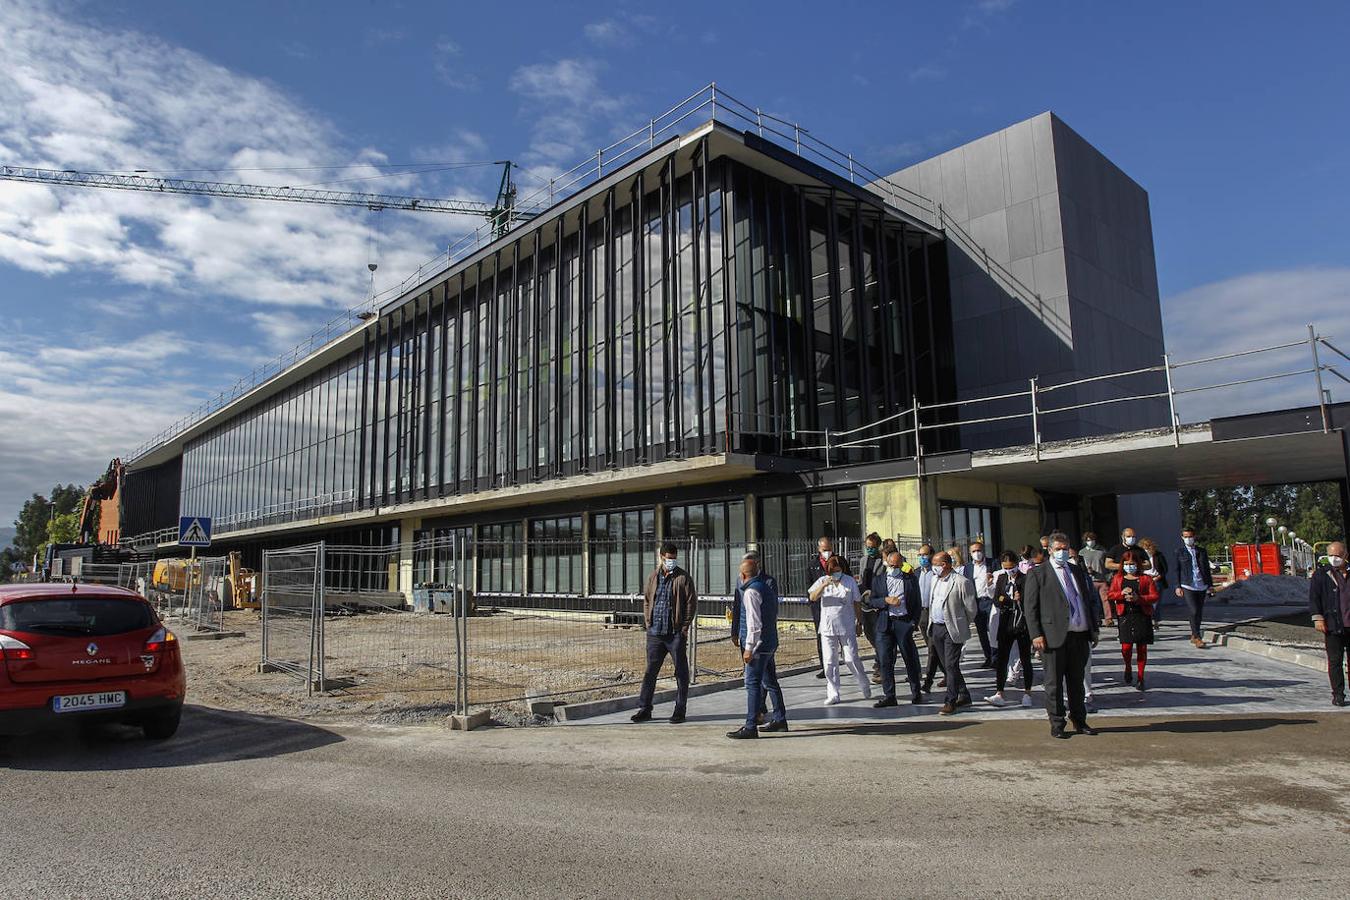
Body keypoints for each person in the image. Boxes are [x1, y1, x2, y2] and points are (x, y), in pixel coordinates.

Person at [1024, 532, 1101, 739]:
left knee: (1077, 681)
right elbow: (1030, 608)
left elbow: (1087, 601)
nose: (1062, 552)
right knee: (1054, 683)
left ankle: (1079, 719)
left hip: (1079, 634)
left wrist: (1093, 629)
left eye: (1065, 549)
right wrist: (1036, 634)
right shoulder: (1038, 574)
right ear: (1049, 550)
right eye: (1058, 549)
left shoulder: (1077, 571)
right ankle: (1057, 722)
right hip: (1053, 636)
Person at [632, 542, 698, 724]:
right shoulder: (653, 576)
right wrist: (648, 621)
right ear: (661, 557)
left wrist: (684, 628)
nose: (672, 561)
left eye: (674, 558)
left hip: (675, 633)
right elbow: (647, 600)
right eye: (669, 558)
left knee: (681, 672)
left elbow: (691, 603)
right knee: (650, 671)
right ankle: (645, 709)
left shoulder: (683, 578)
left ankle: (680, 709)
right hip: (655, 633)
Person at [727, 557, 788, 739]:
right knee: (770, 681)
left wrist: (749, 648)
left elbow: (754, 624)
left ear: (743, 575)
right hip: (769, 642)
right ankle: (780, 719)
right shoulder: (765, 587)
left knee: (752, 683)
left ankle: (750, 726)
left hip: (758, 646)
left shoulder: (750, 592)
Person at [808, 556, 872, 704]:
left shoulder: (849, 581)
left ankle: (863, 682)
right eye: (833, 571)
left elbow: (856, 603)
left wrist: (859, 622)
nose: (836, 574)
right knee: (830, 661)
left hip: (847, 625)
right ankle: (833, 692)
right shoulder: (822, 581)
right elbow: (812, 597)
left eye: (838, 570)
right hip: (827, 626)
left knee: (851, 658)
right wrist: (823, 585)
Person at [866, 549, 924, 706]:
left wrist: (913, 623)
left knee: (909, 658)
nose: (894, 568)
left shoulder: (910, 579)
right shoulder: (878, 580)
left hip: (903, 623)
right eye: (892, 565)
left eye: (897, 566)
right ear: (887, 564)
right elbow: (871, 601)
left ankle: (916, 692)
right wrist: (885, 600)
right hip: (885, 623)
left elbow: (917, 603)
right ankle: (889, 695)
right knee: (885, 659)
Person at [925, 551, 978, 715]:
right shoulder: (934, 580)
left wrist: (961, 622)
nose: (933, 567)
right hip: (936, 626)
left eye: (936, 563)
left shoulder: (962, 582)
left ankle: (950, 700)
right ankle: (964, 693)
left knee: (950, 664)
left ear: (945, 564)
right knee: (948, 665)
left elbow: (971, 608)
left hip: (952, 628)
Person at [987, 550, 1034, 708]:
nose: (1009, 571)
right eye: (1006, 567)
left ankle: (1027, 692)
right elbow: (997, 599)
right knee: (1002, 659)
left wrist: (1019, 600)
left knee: (1025, 658)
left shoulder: (1026, 579)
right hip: (1006, 622)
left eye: (1012, 567)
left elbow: (1030, 600)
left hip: (1022, 623)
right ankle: (999, 692)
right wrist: (1009, 599)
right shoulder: (1001, 578)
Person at [1107, 549, 1159, 691]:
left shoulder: (1146, 579)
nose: (1130, 566)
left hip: (1141, 614)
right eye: (1127, 564)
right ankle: (1128, 666)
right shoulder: (1118, 579)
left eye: (1132, 563)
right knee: (1126, 647)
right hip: (1125, 615)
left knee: (1142, 648)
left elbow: (1154, 596)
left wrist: (1139, 599)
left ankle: (1141, 677)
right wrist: (1121, 594)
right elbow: (1110, 595)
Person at [1308, 541, 1349, 707]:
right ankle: (1338, 694)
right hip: (1333, 625)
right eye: (1331, 555)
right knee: (1335, 661)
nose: (1334, 559)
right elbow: (1314, 598)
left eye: (1337, 555)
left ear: (1345, 555)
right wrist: (1318, 618)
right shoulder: (1322, 575)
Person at [1173, 528, 1214, 649]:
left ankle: (1194, 633)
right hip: (1187, 584)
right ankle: (1197, 636)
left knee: (1199, 611)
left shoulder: (1201, 551)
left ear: (1194, 537)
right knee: (1194, 610)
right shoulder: (1179, 552)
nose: (1188, 539)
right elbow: (1177, 570)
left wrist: (1210, 585)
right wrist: (1177, 586)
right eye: (1185, 537)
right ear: (1182, 538)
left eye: (1190, 536)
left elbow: (1206, 568)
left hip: (1201, 584)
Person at [856, 532, 888, 682]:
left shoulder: (883, 561)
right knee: (869, 634)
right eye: (867, 547)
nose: (870, 550)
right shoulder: (863, 560)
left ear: (878, 547)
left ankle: (881, 665)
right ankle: (880, 657)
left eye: (872, 547)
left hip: (877, 602)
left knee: (879, 636)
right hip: (864, 602)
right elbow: (862, 578)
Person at [961, 540, 995, 667]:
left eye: (979, 550)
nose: (977, 553)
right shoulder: (968, 568)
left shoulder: (993, 563)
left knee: (993, 630)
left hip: (990, 601)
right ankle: (988, 657)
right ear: (970, 553)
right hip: (977, 603)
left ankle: (996, 657)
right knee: (982, 632)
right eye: (974, 551)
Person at [805, 536, 833, 679]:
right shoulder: (813, 564)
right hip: (819, 606)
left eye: (828, 549)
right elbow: (808, 586)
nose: (826, 552)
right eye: (824, 550)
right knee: (821, 636)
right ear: (818, 549)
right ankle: (824, 666)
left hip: (835, 605)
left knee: (836, 636)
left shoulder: (838, 562)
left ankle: (835, 663)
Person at [1079, 532, 1111, 626]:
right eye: (1088, 540)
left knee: (1106, 600)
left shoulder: (1102, 551)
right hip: (1089, 579)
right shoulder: (1082, 552)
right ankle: (1096, 618)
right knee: (1093, 601)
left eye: (1092, 540)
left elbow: (1107, 564)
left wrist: (1108, 576)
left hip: (1102, 579)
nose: (1090, 542)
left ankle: (1108, 619)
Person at [1139, 537, 1169, 628]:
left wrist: (1158, 577)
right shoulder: (1140, 557)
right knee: (1144, 600)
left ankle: (1155, 621)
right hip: (1144, 579)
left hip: (1156, 580)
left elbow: (1165, 569)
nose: (1146, 549)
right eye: (1144, 547)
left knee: (1156, 602)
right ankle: (1147, 620)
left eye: (1148, 547)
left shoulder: (1158, 555)